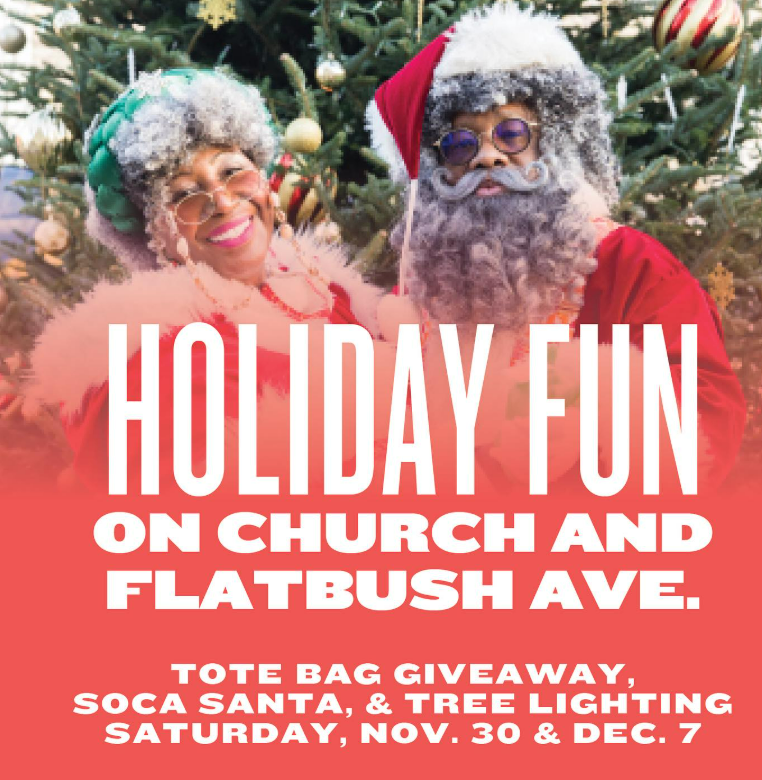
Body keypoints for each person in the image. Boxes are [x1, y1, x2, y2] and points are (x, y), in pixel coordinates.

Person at [367, 3, 746, 490]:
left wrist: (571, 410)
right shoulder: (420, 282)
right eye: (461, 144)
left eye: (510, 133)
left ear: (550, 143)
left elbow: (703, 411)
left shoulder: (630, 263)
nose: (487, 156)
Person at [30, 68, 383, 492]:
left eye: (233, 171)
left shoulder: (321, 287)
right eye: (183, 195)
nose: (222, 200)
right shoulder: (164, 367)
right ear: (152, 232)